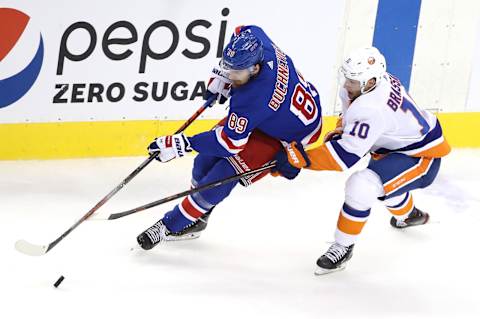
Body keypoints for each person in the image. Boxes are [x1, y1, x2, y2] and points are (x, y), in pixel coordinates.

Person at [136, 25, 323, 250]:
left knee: (221, 175)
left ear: (254, 68)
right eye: (229, 68)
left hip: (289, 134)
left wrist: (182, 144)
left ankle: (171, 224)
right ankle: (198, 213)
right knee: (203, 159)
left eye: (237, 72)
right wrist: (223, 77)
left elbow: (229, 144)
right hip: (279, 113)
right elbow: (244, 29)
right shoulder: (256, 41)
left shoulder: (254, 98)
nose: (231, 75)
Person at [274, 47, 451, 275]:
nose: (347, 85)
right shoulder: (371, 85)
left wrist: (299, 159)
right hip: (398, 146)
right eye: (347, 78)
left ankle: (343, 246)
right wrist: (341, 129)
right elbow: (351, 117)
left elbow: (343, 158)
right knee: (385, 185)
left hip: (421, 156)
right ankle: (408, 215)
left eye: (353, 81)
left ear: (370, 82)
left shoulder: (371, 108)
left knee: (363, 185)